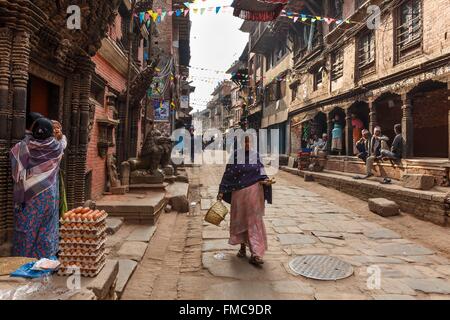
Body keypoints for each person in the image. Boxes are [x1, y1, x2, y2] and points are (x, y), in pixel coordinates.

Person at [10, 118, 67, 258]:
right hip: (50, 193)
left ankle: (22, 260)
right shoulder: (57, 147)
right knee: (47, 229)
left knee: (26, 228)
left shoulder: (24, 147)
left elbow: (16, 167)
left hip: (31, 194)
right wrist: (60, 134)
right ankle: (44, 262)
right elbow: (63, 141)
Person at [217, 136, 273, 266]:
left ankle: (256, 253)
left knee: (254, 221)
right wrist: (221, 190)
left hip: (254, 194)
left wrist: (265, 180)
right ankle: (242, 247)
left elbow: (261, 172)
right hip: (239, 195)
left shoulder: (256, 156)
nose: (247, 144)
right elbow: (228, 174)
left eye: (249, 141)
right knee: (241, 220)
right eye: (245, 141)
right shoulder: (235, 156)